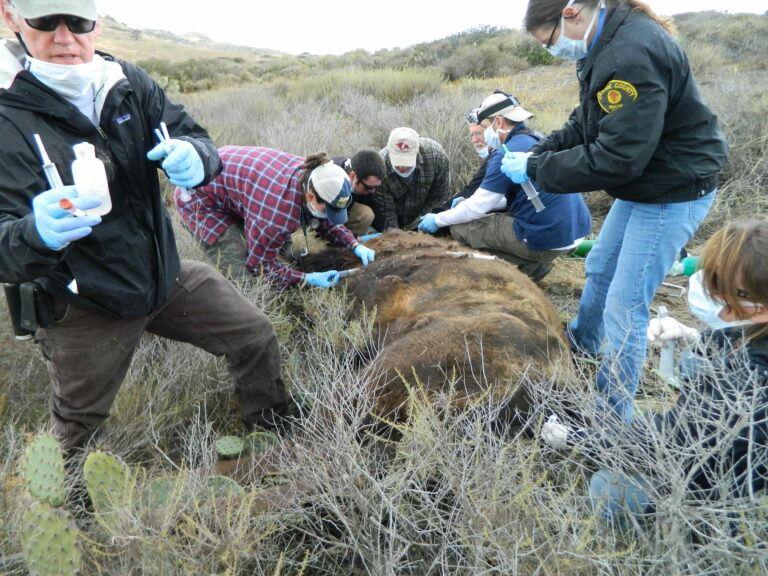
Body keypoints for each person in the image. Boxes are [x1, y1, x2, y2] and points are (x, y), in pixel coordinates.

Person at [0, 0, 292, 452]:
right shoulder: (7, 116)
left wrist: (198, 158)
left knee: (253, 334)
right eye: (44, 20)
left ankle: (275, 430)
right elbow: (5, 243)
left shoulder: (128, 84)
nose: (64, 37)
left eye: (77, 21)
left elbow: (193, 135)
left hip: (163, 276)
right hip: (85, 303)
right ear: (11, 16)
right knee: (78, 428)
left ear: (96, 22)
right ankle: (73, 514)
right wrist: (32, 234)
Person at [504, 0, 729, 421]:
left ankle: (611, 421)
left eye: (549, 41)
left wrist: (536, 167)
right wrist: (541, 149)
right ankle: (585, 344)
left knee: (625, 306)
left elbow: (617, 158)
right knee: (601, 266)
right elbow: (587, 120)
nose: (553, 50)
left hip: (671, 189)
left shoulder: (630, 52)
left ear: (570, 14)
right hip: (647, 181)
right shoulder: (603, 42)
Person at [541, 218, 768, 526]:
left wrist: (577, 438)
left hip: (731, 484)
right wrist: (692, 335)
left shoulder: (748, 380)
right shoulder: (754, 331)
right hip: (728, 435)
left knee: (609, 489)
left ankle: (687, 534)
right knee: (694, 359)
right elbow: (743, 338)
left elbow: (664, 445)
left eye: (735, 299)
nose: (723, 311)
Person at [418, 91, 591, 282]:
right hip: (575, 232)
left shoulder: (505, 152)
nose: (483, 133)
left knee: (461, 228)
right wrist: (467, 201)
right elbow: (522, 194)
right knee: (488, 218)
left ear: (498, 122)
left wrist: (438, 219)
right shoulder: (536, 139)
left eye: (484, 127)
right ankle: (533, 263)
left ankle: (518, 270)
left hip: (547, 239)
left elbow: (478, 206)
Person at [175, 146, 375, 288]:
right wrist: (307, 280)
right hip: (200, 197)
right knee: (244, 279)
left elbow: (326, 222)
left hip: (238, 184)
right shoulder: (277, 216)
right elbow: (259, 266)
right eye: (328, 210)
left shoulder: (318, 177)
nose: (329, 216)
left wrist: (355, 245)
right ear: (311, 197)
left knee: (280, 252)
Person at [376, 126, 451, 231]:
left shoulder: (436, 156)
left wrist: (417, 226)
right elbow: (386, 211)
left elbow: (440, 198)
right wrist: (395, 233)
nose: (402, 167)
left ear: (417, 151)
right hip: (396, 215)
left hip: (426, 216)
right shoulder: (380, 166)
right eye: (397, 161)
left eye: (407, 161)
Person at [437, 107, 493, 213]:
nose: (474, 140)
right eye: (472, 134)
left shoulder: (499, 155)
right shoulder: (493, 156)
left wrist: (438, 216)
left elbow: (472, 190)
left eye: (479, 133)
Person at [332, 150, 387, 236]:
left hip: (347, 205)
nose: (373, 191)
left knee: (368, 214)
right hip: (325, 211)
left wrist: (387, 231)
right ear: (353, 176)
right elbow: (330, 216)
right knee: (365, 215)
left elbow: (373, 206)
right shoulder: (336, 181)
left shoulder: (363, 176)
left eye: (376, 187)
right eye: (369, 187)